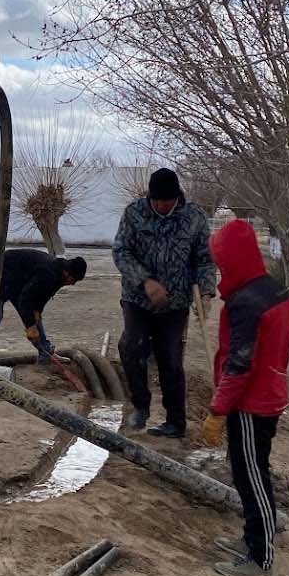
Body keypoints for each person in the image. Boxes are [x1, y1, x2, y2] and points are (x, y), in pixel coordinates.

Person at [200, 218, 289, 576]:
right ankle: (251, 538)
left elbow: (240, 365)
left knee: (252, 476)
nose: (220, 270)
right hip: (268, 394)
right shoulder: (271, 289)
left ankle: (260, 558)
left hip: (251, 404)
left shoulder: (246, 303)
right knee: (249, 472)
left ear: (234, 259)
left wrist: (217, 411)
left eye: (222, 262)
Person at [112, 168, 216, 436]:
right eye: (156, 200)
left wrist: (206, 293)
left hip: (175, 303)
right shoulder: (134, 213)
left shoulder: (193, 218)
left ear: (176, 197)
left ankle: (175, 422)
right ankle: (140, 406)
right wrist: (145, 281)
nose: (161, 206)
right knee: (131, 346)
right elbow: (121, 252)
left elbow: (204, 259)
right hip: (137, 299)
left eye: (166, 201)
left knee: (170, 358)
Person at [0, 248, 88, 362]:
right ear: (67, 273)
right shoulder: (48, 274)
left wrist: (36, 313)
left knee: (35, 317)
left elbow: (42, 298)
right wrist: (30, 327)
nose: (73, 284)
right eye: (74, 280)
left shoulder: (59, 276)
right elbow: (25, 301)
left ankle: (46, 353)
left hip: (18, 281)